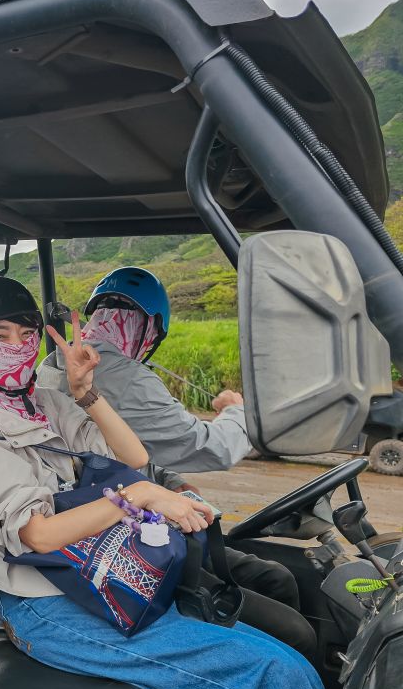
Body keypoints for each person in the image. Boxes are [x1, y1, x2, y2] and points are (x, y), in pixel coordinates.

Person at [0, 276, 342, 689]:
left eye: (25, 334)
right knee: (270, 679)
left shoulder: (45, 401)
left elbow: (130, 459)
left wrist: (87, 393)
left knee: (286, 665)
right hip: (46, 605)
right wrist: (143, 498)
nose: (15, 347)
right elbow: (35, 533)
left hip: (98, 576)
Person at [41, 267, 313, 657]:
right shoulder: (123, 374)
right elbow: (209, 447)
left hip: (118, 515)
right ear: (150, 329)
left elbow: (123, 454)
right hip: (125, 537)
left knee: (278, 577)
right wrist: (235, 410)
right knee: (294, 627)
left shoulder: (55, 366)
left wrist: (169, 482)